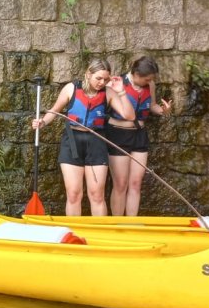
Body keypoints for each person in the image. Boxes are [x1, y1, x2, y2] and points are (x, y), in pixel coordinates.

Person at [33, 58, 134, 216]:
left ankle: (99, 230)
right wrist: (42, 122)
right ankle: (75, 229)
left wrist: (121, 91)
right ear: (88, 74)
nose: (102, 82)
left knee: (97, 195)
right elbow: (54, 111)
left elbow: (130, 116)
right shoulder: (71, 88)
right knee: (74, 194)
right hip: (72, 142)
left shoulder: (109, 93)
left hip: (96, 142)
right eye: (98, 78)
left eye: (105, 79)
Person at [104, 55, 173, 216]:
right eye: (146, 79)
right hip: (118, 134)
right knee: (120, 184)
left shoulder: (150, 85)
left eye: (151, 79)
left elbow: (152, 105)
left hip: (139, 135)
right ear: (135, 74)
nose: (149, 81)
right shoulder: (116, 84)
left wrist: (164, 111)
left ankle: (131, 222)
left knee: (135, 183)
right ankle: (118, 223)